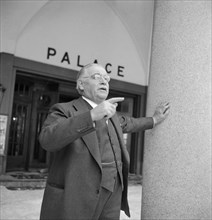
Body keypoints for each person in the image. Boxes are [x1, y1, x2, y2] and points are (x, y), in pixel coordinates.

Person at [39, 63, 170, 220]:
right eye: (97, 77)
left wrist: (155, 119)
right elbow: (47, 139)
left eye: (106, 78)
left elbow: (131, 123)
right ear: (81, 84)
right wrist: (92, 116)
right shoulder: (64, 110)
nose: (104, 81)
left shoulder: (111, 114)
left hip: (113, 193)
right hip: (77, 196)